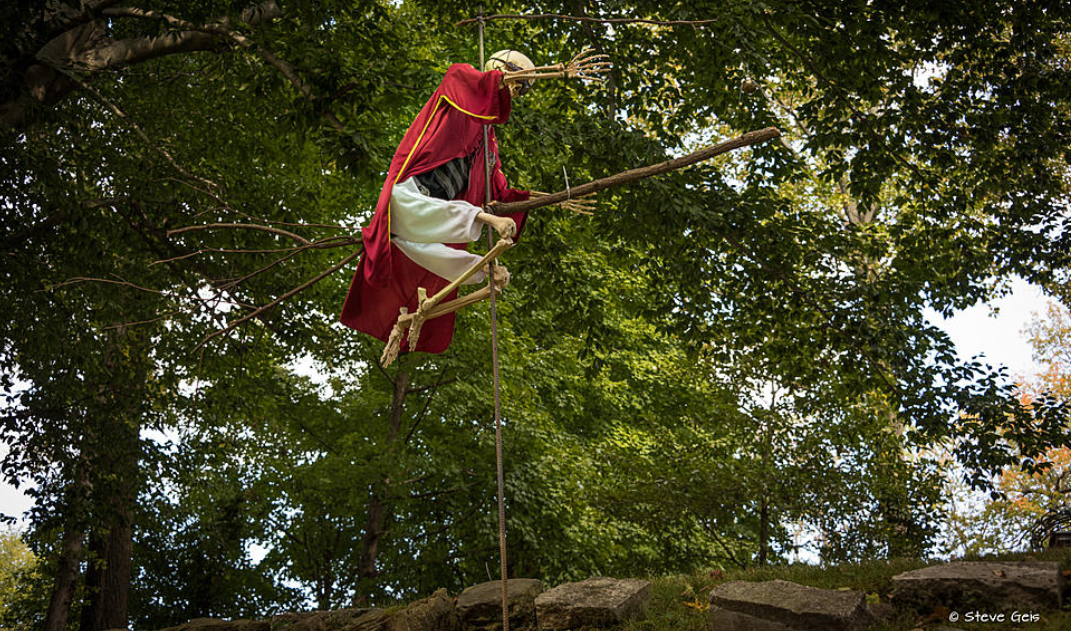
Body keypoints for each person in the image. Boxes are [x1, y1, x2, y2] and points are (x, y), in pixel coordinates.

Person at [340, 49, 607, 357]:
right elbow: (484, 84)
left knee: (458, 262)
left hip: (422, 230)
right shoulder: (457, 83)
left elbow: (502, 195)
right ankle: (480, 224)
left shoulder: (488, 144)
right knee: (468, 215)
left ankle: (472, 281)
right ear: (500, 69)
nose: (518, 92)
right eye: (520, 84)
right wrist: (558, 71)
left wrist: (557, 199)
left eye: (523, 90)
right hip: (408, 200)